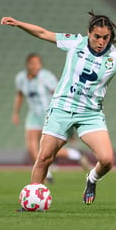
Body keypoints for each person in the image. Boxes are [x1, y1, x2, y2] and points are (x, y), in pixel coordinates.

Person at [1, 11, 116, 207]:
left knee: (107, 160)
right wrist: (18, 23)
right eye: (97, 36)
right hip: (62, 108)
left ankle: (92, 178)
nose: (101, 41)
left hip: (90, 114)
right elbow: (43, 33)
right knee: (44, 157)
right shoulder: (76, 43)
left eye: (105, 38)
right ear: (88, 33)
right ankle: (31, 203)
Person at [12, 53, 91, 183]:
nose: (36, 66)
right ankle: (46, 174)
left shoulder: (46, 76)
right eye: (33, 63)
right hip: (33, 115)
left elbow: (58, 92)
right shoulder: (21, 78)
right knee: (32, 148)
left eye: (38, 63)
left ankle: (76, 155)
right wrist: (15, 113)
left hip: (48, 113)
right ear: (28, 65)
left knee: (48, 149)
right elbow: (20, 94)